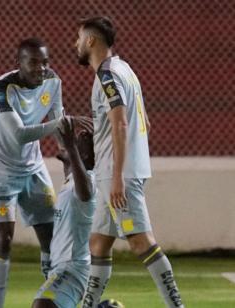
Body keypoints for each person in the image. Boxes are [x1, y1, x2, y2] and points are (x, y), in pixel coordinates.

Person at [74, 16, 184, 308]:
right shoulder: (126, 69)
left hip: (116, 174)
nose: (76, 44)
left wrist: (118, 176)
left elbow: (121, 124)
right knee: (98, 243)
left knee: (140, 241)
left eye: (79, 38)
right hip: (113, 171)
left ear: (91, 41)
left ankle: (177, 305)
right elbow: (143, 119)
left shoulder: (107, 75)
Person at [0, 38, 92, 308]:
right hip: (1, 171)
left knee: (50, 236)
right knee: (3, 237)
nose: (41, 68)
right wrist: (64, 122)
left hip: (33, 168)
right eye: (33, 62)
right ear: (19, 63)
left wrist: (70, 157)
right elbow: (19, 134)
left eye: (45, 62)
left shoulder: (53, 82)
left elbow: (58, 128)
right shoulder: (1, 89)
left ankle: (52, 291)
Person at [32, 117, 97, 308]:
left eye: (79, 141)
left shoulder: (90, 180)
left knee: (42, 305)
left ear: (83, 155)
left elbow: (85, 193)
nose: (72, 140)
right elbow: (58, 130)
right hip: (61, 265)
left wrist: (71, 147)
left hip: (73, 267)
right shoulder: (69, 180)